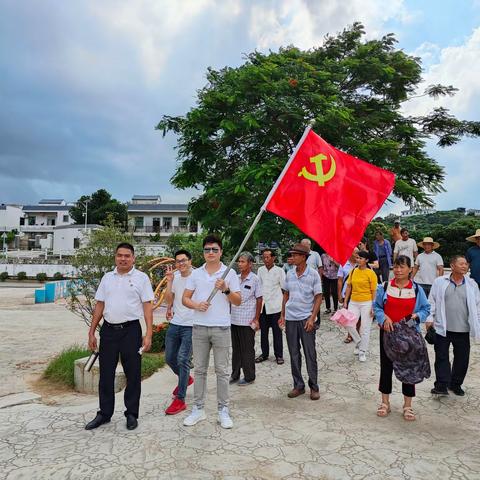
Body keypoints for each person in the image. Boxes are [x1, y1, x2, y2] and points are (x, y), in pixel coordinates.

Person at [85, 242, 154, 431]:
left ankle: (131, 413)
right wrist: (92, 331)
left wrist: (148, 333)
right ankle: (104, 414)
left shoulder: (141, 278)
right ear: (115, 257)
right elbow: (100, 305)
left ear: (133, 258)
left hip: (131, 331)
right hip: (108, 331)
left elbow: (147, 307)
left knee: (133, 373)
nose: (123, 258)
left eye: (127, 256)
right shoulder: (107, 278)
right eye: (119, 255)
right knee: (106, 374)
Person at [182, 235, 241, 428]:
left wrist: (225, 289)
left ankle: (223, 410)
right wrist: (196, 305)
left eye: (215, 249)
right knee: (199, 370)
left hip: (221, 327)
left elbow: (238, 301)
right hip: (199, 327)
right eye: (207, 250)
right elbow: (185, 299)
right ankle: (198, 409)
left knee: (222, 371)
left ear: (221, 252)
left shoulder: (229, 273)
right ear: (203, 252)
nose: (211, 253)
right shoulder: (196, 274)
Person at [374, 255, 430, 421]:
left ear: (410, 270)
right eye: (396, 267)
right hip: (388, 333)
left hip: (408, 336)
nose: (398, 270)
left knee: (409, 368)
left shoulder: (417, 289)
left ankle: (407, 405)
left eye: (402, 267)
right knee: (386, 366)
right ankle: (385, 402)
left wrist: (417, 316)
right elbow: (377, 306)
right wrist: (383, 317)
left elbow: (426, 309)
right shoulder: (384, 287)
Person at [427, 255, 480, 396]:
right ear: (452, 265)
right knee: (442, 358)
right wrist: (429, 318)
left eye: (466, 264)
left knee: (462, 359)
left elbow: (477, 306)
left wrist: (478, 324)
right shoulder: (439, 282)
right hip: (442, 328)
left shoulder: (472, 284)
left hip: (463, 329)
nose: (465, 266)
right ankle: (441, 386)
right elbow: (431, 301)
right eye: (461, 263)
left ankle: (456, 384)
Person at [279, 243, 322, 400]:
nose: (292, 257)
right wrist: (282, 314)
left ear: (304, 257)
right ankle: (298, 385)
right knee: (294, 353)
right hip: (291, 318)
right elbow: (285, 295)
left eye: (295, 255)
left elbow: (318, 297)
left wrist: (312, 317)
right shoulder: (289, 274)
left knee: (310, 353)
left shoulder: (313, 274)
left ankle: (314, 386)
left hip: (306, 319)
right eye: (292, 255)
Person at [163, 249, 194, 415]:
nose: (181, 264)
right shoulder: (174, 278)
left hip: (191, 324)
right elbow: (169, 299)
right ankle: (186, 378)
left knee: (183, 359)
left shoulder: (197, 276)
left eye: (183, 260)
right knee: (169, 358)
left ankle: (180, 400)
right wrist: (169, 281)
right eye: (178, 261)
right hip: (176, 323)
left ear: (190, 261)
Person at [230, 252, 262, 385]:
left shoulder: (255, 279)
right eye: (239, 261)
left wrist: (256, 318)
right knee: (236, 349)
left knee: (247, 349)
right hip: (234, 319)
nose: (240, 264)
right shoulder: (235, 278)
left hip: (247, 320)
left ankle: (249, 376)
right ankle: (235, 374)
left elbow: (259, 299)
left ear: (250, 264)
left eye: (243, 261)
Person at [343, 251, 378, 362]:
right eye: (357, 258)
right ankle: (358, 341)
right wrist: (345, 301)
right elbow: (349, 286)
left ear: (366, 260)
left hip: (367, 302)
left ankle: (362, 350)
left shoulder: (370, 273)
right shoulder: (353, 271)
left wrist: (373, 305)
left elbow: (374, 290)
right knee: (348, 323)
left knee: (365, 328)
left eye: (360, 258)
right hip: (353, 301)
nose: (358, 260)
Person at [257, 249, 286, 365]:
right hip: (264, 305)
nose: (266, 260)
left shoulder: (279, 271)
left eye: (268, 257)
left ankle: (279, 355)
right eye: (264, 257)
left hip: (276, 305)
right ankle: (264, 354)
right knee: (263, 332)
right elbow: (258, 287)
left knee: (277, 331)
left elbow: (285, 289)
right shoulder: (260, 270)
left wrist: (284, 309)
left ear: (274, 258)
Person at [337, 248, 359, 343]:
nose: (358, 254)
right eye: (356, 253)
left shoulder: (361, 264)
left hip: (359, 294)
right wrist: (339, 295)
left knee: (358, 316)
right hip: (347, 294)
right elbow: (340, 280)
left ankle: (356, 333)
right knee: (349, 316)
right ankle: (350, 335)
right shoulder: (343, 264)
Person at [301, 238, 323, 325]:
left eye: (304, 245)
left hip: (313, 281)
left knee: (316, 300)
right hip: (302, 281)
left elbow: (320, 267)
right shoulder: (300, 255)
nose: (303, 246)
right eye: (302, 245)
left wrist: (320, 280)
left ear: (309, 245)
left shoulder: (315, 254)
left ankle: (316, 320)